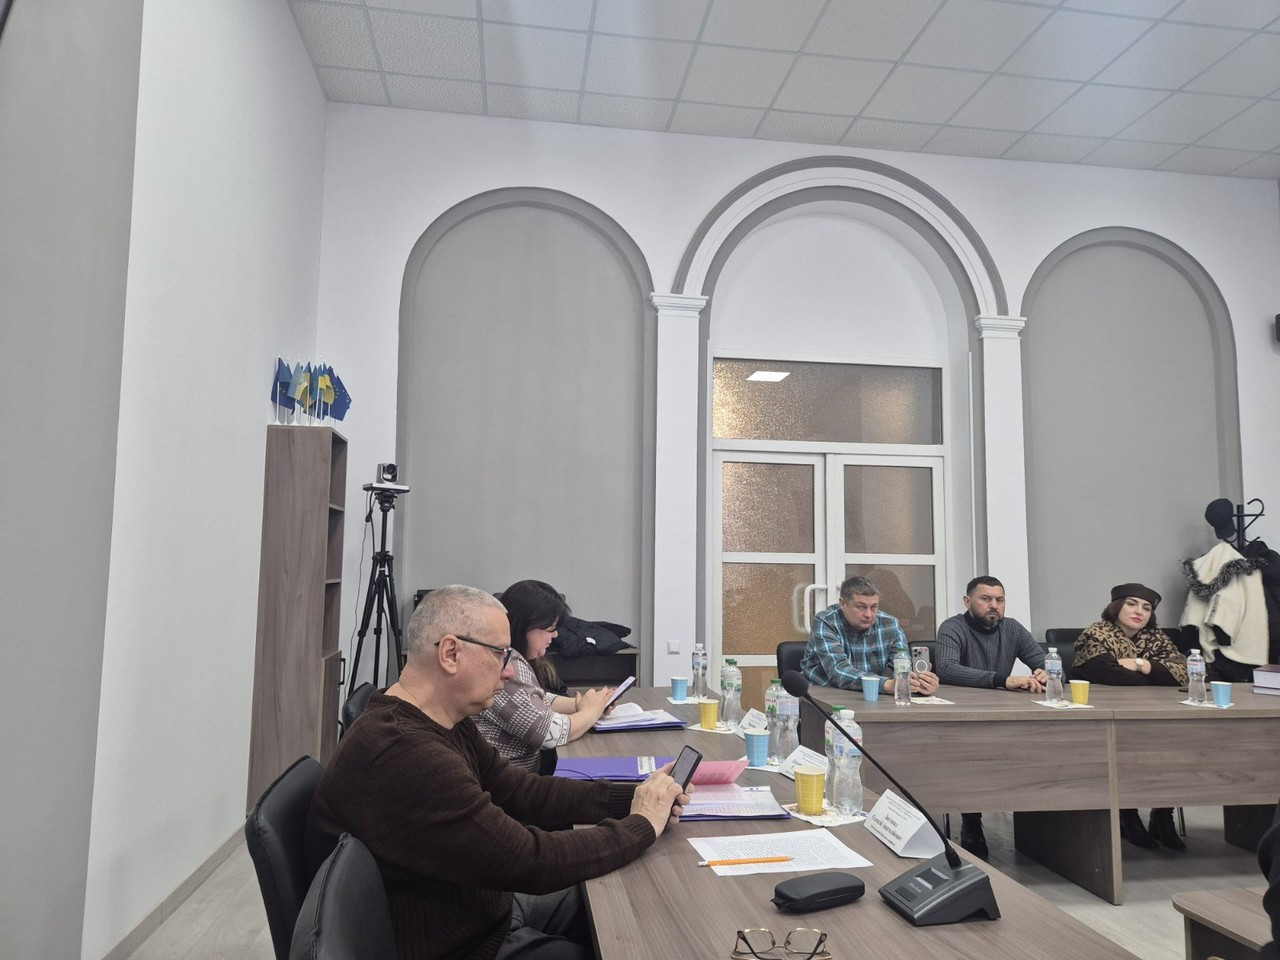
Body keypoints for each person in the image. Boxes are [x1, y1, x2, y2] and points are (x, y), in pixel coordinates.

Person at [306, 584, 687, 960]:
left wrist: (636, 796)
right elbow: (529, 861)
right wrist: (642, 824)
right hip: (465, 944)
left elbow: (521, 791)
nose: (508, 672)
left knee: (636, 899)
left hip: (480, 906)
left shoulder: (441, 719)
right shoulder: (407, 754)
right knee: (628, 925)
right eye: (501, 654)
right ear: (451, 653)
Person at [934, 575, 1048, 858]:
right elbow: (947, 669)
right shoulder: (952, 627)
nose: (994, 605)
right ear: (967, 601)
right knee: (972, 755)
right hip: (958, 716)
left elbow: (1049, 663)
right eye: (986, 599)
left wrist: (1047, 673)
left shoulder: (1013, 628)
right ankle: (971, 820)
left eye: (999, 600)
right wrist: (1001, 680)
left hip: (1001, 714)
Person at [1074, 582, 1189, 851]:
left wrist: (1141, 664)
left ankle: (1163, 816)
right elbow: (1113, 676)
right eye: (1132, 604)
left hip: (1154, 716)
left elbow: (1184, 673)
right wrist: (1159, 674)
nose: (1139, 611)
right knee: (1128, 751)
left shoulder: (1156, 638)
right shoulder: (1095, 635)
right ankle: (1128, 816)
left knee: (1173, 748)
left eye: (1146, 608)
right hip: (1107, 718)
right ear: (1116, 607)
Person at [473, 580, 614, 773]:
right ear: (527, 625)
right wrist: (590, 713)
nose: (555, 635)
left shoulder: (513, 658)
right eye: (551, 628)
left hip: (519, 776)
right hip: (509, 782)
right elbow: (548, 733)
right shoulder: (504, 665)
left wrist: (586, 704)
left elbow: (537, 700)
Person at [801, 575, 939, 695]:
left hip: (870, 695)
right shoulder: (825, 621)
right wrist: (886, 684)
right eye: (861, 607)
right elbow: (838, 671)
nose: (868, 614)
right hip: (823, 696)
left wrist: (918, 683)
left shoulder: (890, 624)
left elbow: (901, 666)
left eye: (874, 607)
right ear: (843, 604)